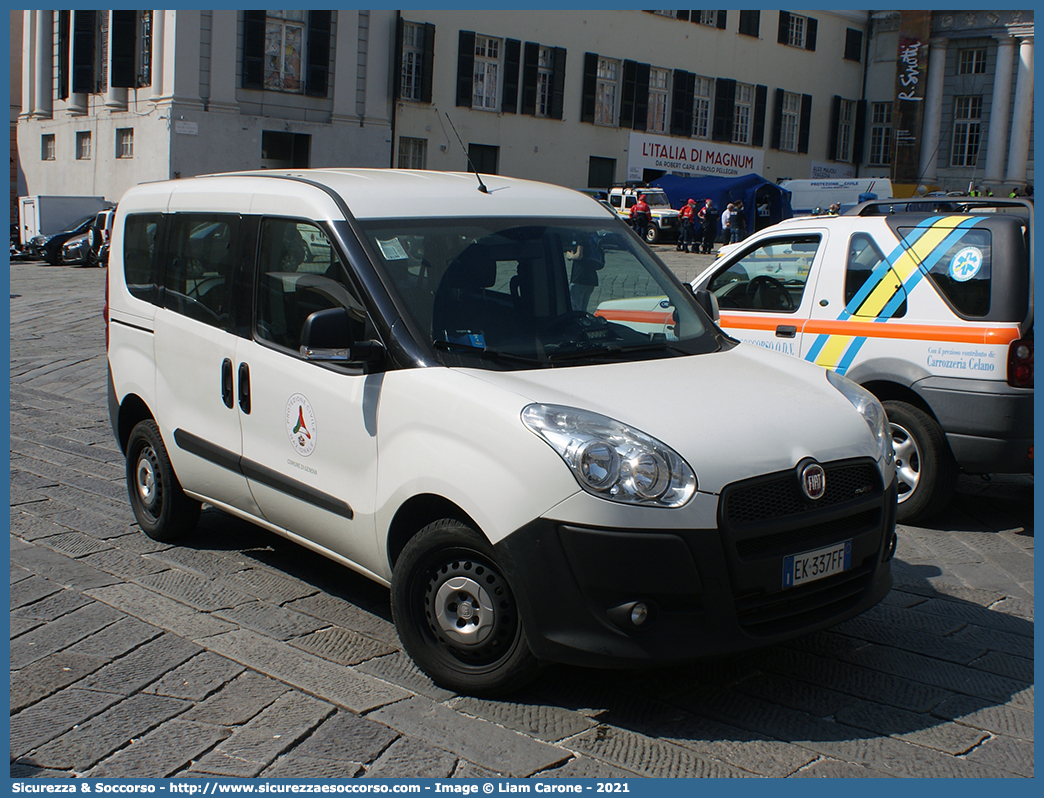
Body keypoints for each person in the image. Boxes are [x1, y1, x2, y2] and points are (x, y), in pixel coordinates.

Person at [566, 235, 604, 312]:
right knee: (583, 308)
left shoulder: (581, 237)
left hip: (580, 278)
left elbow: (579, 255)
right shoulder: (591, 237)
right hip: (591, 279)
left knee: (575, 308)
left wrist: (570, 256)